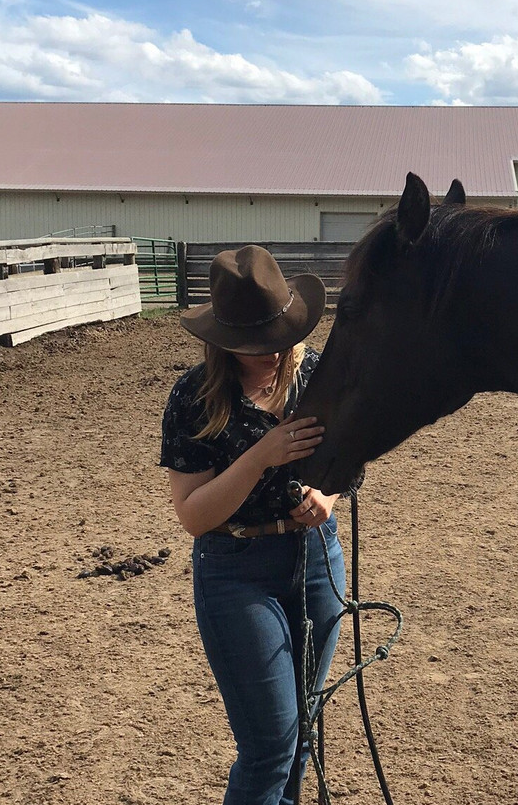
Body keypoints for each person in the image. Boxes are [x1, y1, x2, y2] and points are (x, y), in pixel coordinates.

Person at [160, 244, 347, 805]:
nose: (275, 354)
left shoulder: (314, 374)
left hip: (316, 559)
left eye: (280, 338)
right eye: (258, 346)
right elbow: (193, 515)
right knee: (270, 745)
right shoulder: (194, 397)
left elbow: (348, 457)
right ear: (225, 342)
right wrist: (261, 454)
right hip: (235, 570)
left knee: (303, 734)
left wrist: (327, 496)